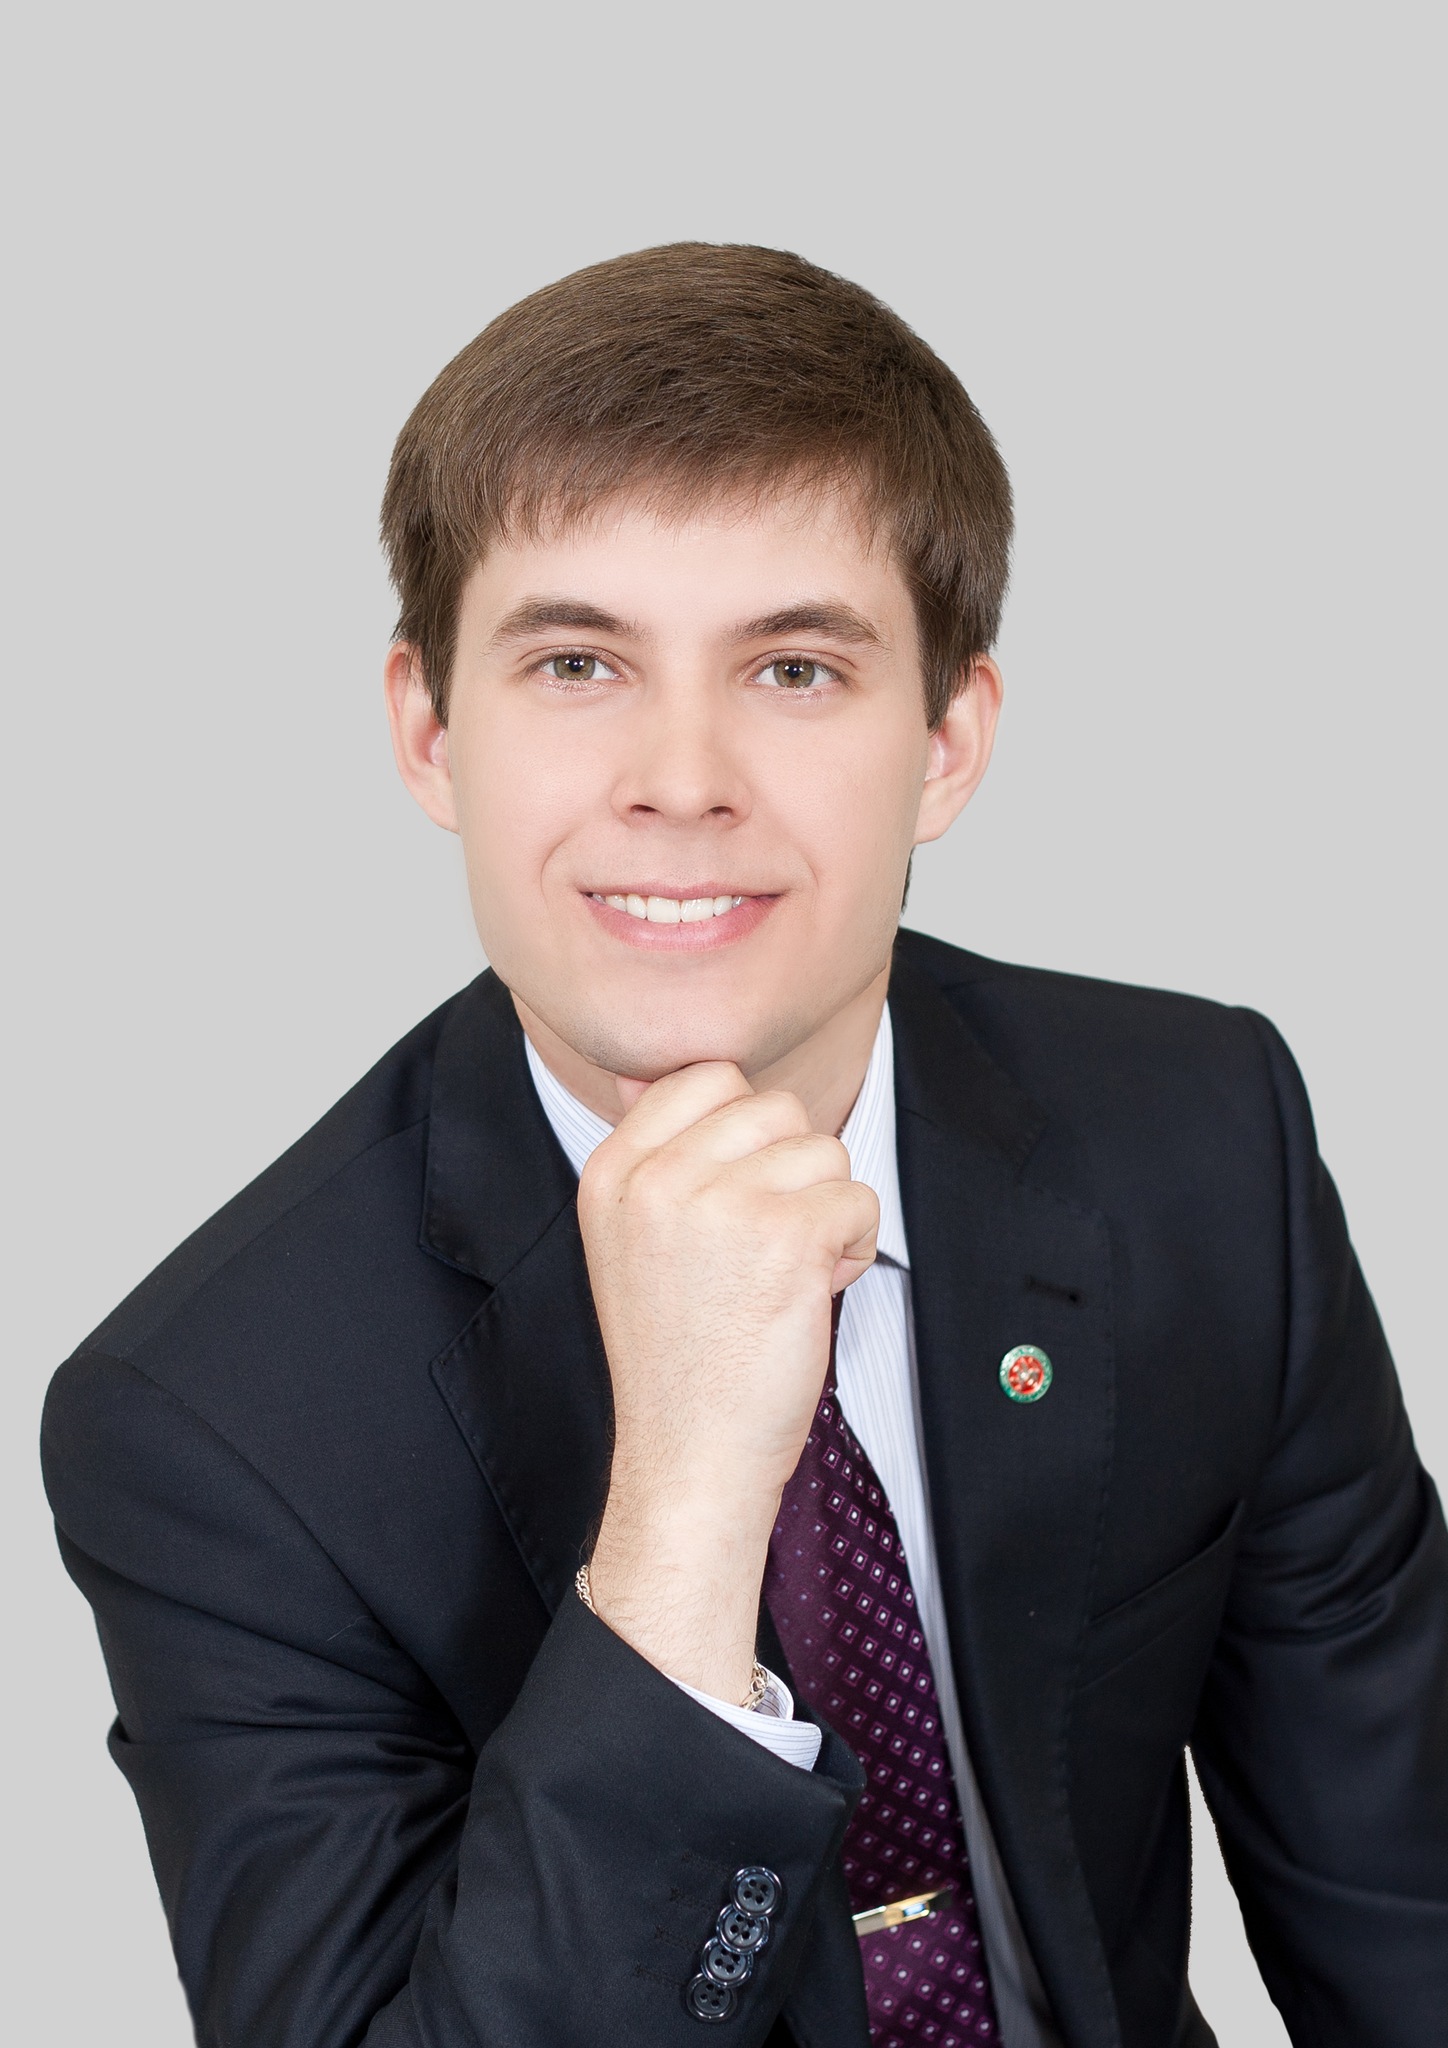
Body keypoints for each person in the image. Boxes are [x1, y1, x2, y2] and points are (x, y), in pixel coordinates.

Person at [41, 243, 1447, 2048]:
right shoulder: (215, 1424)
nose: (684, 777)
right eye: (576, 663)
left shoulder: (1200, 1138)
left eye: (793, 667)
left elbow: (1405, 1902)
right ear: (431, 732)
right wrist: (689, 1503)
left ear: (948, 740)